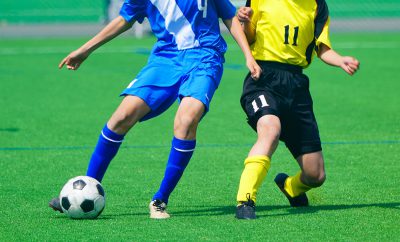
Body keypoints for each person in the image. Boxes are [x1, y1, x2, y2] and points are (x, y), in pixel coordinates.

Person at [49, 0, 262, 219]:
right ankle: (85, 188)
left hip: (205, 56)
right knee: (121, 118)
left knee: (186, 121)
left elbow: (229, 17)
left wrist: (248, 56)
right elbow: (125, 20)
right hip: (165, 58)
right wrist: (85, 50)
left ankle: (160, 200)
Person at [234, 0, 360, 219]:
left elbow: (322, 48)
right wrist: (244, 21)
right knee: (270, 129)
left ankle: (290, 187)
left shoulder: (317, 5)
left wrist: (340, 60)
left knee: (315, 175)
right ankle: (245, 200)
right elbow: (249, 35)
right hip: (262, 78)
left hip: (296, 86)